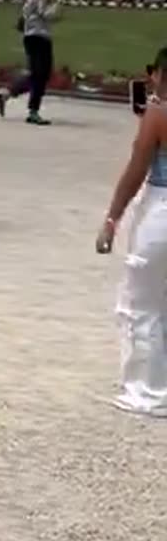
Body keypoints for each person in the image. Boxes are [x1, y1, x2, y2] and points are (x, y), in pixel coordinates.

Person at [96, 46, 167, 418]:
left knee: (141, 303)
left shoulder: (158, 112)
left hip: (162, 209)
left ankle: (148, 391)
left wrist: (112, 217)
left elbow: (137, 168)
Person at [0, 0, 59, 126]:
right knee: (41, 75)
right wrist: (57, 3)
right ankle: (33, 111)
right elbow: (46, 14)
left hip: (31, 37)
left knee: (37, 74)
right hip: (40, 37)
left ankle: (8, 94)